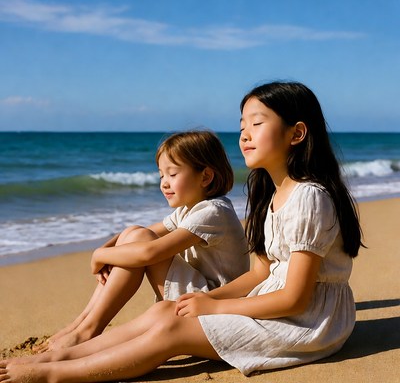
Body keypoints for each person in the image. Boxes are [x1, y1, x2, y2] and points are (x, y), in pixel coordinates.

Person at [0, 81, 364, 382]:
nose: (245, 135)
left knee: (171, 333)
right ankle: (63, 356)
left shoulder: (309, 198)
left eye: (257, 123)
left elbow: (295, 300)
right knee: (167, 313)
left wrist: (215, 306)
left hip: (309, 323)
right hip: (277, 303)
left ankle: (53, 375)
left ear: (297, 133)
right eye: (241, 126)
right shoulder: (267, 194)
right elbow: (260, 273)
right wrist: (208, 302)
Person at [33, 130, 249, 352]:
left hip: (211, 304)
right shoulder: (189, 210)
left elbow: (150, 253)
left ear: (205, 176)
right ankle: (81, 325)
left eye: (172, 174)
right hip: (197, 294)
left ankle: (88, 330)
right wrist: (105, 248)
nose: (164, 183)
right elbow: (139, 232)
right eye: (161, 176)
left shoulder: (214, 211)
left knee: (139, 240)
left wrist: (99, 255)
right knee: (134, 233)